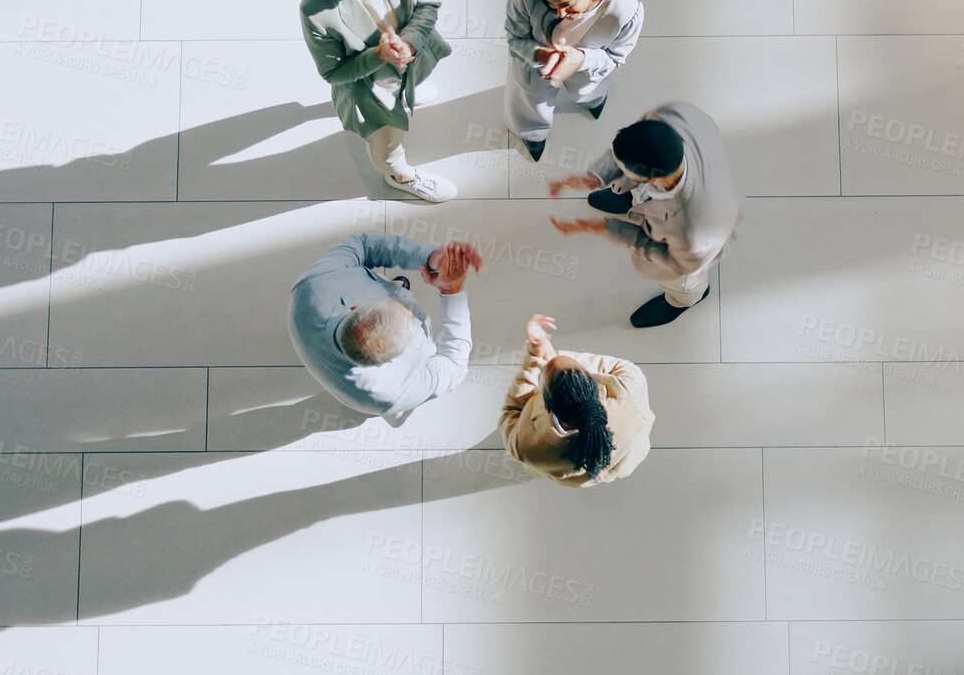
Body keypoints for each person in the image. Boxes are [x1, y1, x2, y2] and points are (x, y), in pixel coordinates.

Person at [300, 0, 457, 202]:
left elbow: (428, 4)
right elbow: (333, 72)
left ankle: (407, 90)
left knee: (415, 75)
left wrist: (408, 41)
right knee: (386, 143)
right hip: (367, 83)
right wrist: (379, 56)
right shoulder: (314, 9)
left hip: (412, 53)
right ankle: (401, 177)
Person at [548, 102, 742, 328]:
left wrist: (604, 228)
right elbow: (628, 149)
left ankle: (685, 300)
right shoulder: (670, 117)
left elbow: (670, 258)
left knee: (682, 280)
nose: (614, 166)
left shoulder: (695, 230)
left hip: (681, 257)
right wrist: (595, 177)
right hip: (663, 192)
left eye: (622, 168)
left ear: (651, 179)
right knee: (634, 187)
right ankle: (633, 200)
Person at [289, 231, 483, 421]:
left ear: (356, 307)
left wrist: (429, 257)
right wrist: (452, 292)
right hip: (384, 400)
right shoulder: (393, 393)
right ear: (383, 363)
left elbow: (363, 244)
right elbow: (454, 365)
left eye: (392, 304)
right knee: (403, 404)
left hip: (317, 341)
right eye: (410, 322)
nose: (410, 309)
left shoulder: (315, 282)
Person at [503, 0, 645, 163]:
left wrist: (582, 60)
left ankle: (592, 100)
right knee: (531, 99)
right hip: (536, 65)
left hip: (589, 67)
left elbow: (616, 57)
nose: (560, 13)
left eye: (569, 5)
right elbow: (515, 38)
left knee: (588, 89)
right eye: (551, 4)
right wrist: (542, 55)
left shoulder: (624, 10)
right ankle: (532, 133)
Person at [500, 314, 654, 486]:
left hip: (563, 472)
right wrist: (555, 361)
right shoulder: (630, 387)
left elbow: (511, 412)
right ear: (593, 383)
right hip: (624, 460)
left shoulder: (527, 446)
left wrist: (538, 358)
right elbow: (622, 367)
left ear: (546, 405)